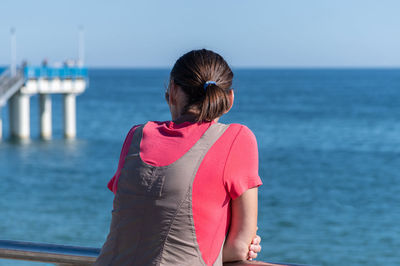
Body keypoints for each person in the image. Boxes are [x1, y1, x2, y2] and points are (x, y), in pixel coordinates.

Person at [95, 49, 262, 265]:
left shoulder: (137, 135)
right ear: (229, 99)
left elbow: (138, 221)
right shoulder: (237, 138)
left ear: (172, 91)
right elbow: (240, 247)